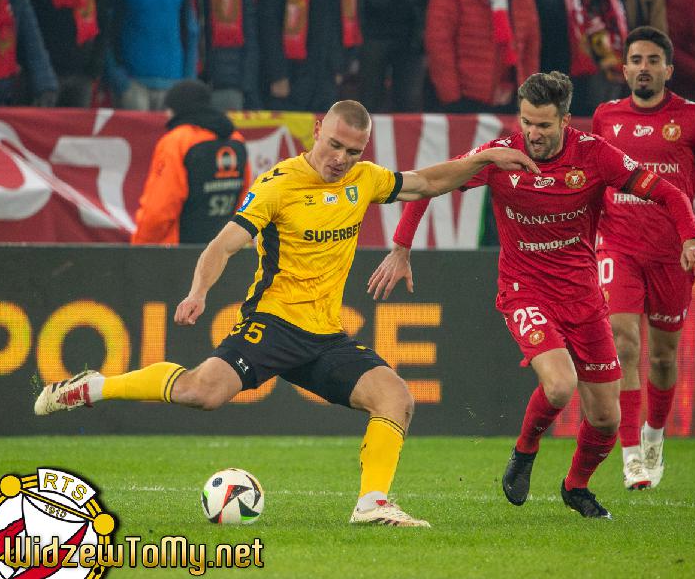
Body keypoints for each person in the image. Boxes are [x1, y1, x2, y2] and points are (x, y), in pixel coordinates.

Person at [34, 100, 539, 528]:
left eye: (353, 151)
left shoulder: (364, 180)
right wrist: (198, 291)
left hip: (326, 337)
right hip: (273, 324)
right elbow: (223, 245)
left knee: (396, 398)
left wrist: (485, 159)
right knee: (200, 392)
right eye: (335, 145)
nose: (341, 159)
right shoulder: (277, 184)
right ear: (317, 130)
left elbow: (426, 182)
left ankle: (372, 504)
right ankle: (94, 387)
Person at [368, 72, 695, 519]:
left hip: (583, 297)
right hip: (523, 290)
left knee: (606, 418)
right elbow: (429, 183)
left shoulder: (595, 155)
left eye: (544, 125)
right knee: (561, 384)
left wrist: (691, 237)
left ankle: (576, 487)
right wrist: (401, 247)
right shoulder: (498, 156)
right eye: (526, 122)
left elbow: (668, 192)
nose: (533, 133)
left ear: (565, 120)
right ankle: (525, 451)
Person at [591, 26, 695, 489]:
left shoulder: (693, 118)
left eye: (653, 60)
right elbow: (595, 180)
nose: (644, 68)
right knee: (624, 343)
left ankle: (654, 436)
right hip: (618, 245)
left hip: (673, 252)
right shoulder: (605, 117)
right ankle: (631, 455)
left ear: (668, 70)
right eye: (636, 60)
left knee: (663, 358)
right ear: (624, 69)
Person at [131, 80, 253, 245]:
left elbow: (160, 208)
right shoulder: (236, 140)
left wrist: (140, 247)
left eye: (168, 109)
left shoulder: (177, 141)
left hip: (181, 252)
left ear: (177, 109)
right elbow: (244, 198)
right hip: (224, 251)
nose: (166, 115)